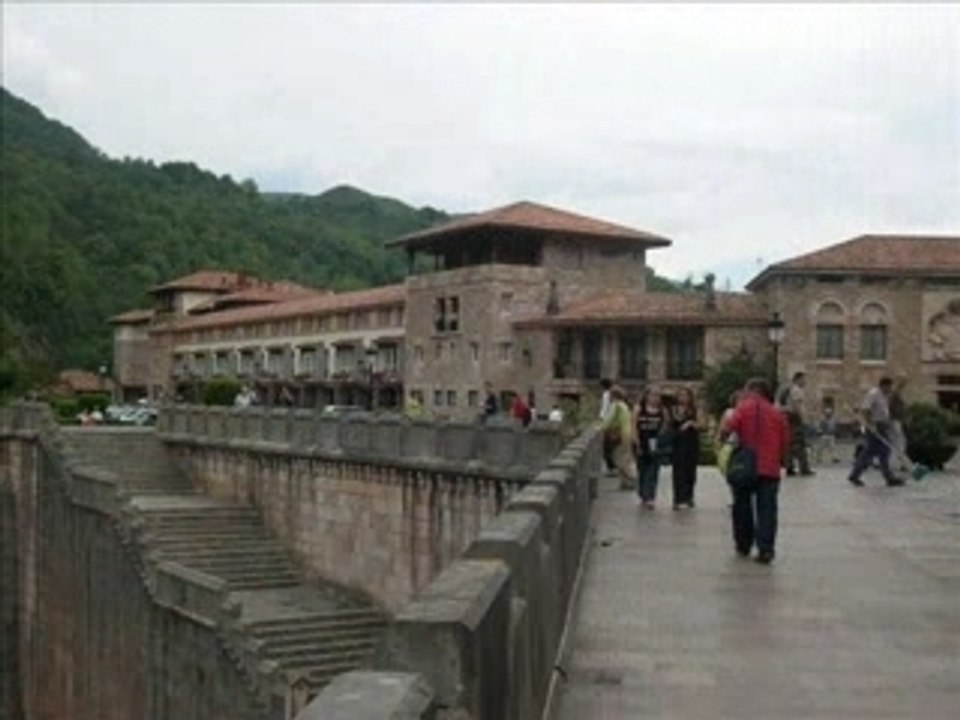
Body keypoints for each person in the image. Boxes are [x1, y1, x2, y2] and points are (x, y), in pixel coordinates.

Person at [722, 377, 790, 564]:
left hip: (746, 464)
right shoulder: (777, 413)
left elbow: (728, 428)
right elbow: (785, 441)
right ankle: (766, 549)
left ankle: (743, 544)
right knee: (767, 509)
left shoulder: (743, 408)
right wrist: (782, 461)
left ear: (751, 390)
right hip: (770, 467)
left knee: (742, 506)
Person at [848, 377, 906, 487]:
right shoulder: (873, 394)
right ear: (884, 386)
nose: (890, 390)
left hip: (883, 426)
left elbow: (894, 394)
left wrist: (902, 384)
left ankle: (888, 477)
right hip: (875, 426)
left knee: (883, 452)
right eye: (888, 387)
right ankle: (856, 475)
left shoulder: (884, 395)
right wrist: (871, 425)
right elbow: (865, 410)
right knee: (871, 452)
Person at [633, 386, 668, 509]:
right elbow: (634, 426)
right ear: (647, 396)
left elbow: (664, 426)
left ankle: (650, 497)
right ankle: (643, 493)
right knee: (642, 470)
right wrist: (636, 442)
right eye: (652, 395)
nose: (655, 398)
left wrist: (660, 439)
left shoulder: (662, 411)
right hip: (642, 441)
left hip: (654, 442)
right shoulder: (639, 409)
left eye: (658, 395)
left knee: (653, 470)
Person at [670, 386, 701, 509]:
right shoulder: (673, 410)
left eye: (685, 395)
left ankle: (689, 496)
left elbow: (702, 424)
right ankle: (678, 498)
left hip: (691, 442)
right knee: (677, 470)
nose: (683, 398)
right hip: (677, 442)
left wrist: (691, 423)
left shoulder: (694, 410)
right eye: (680, 395)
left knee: (690, 470)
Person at [601, 386, 637, 490]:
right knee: (624, 457)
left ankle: (631, 479)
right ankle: (625, 483)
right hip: (627, 434)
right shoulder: (624, 405)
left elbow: (609, 419)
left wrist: (600, 427)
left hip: (620, 434)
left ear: (613, 395)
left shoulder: (615, 405)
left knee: (619, 458)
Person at [783, 372, 813, 476]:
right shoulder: (797, 390)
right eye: (803, 379)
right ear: (798, 379)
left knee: (791, 443)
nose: (805, 382)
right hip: (796, 418)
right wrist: (802, 418)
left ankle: (789, 467)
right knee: (800, 443)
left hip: (790, 418)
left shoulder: (790, 389)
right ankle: (804, 468)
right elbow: (797, 405)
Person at [888, 374, 909, 472]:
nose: (904, 384)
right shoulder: (895, 394)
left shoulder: (896, 394)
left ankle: (900, 462)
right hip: (894, 421)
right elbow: (893, 408)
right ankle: (901, 463)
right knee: (899, 442)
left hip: (896, 420)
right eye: (903, 381)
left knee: (899, 441)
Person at [599, 378, 616, 474]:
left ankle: (611, 467)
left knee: (607, 446)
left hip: (608, 423)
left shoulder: (606, 395)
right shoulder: (614, 395)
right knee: (612, 446)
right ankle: (613, 466)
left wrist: (601, 420)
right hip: (615, 423)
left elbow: (604, 408)